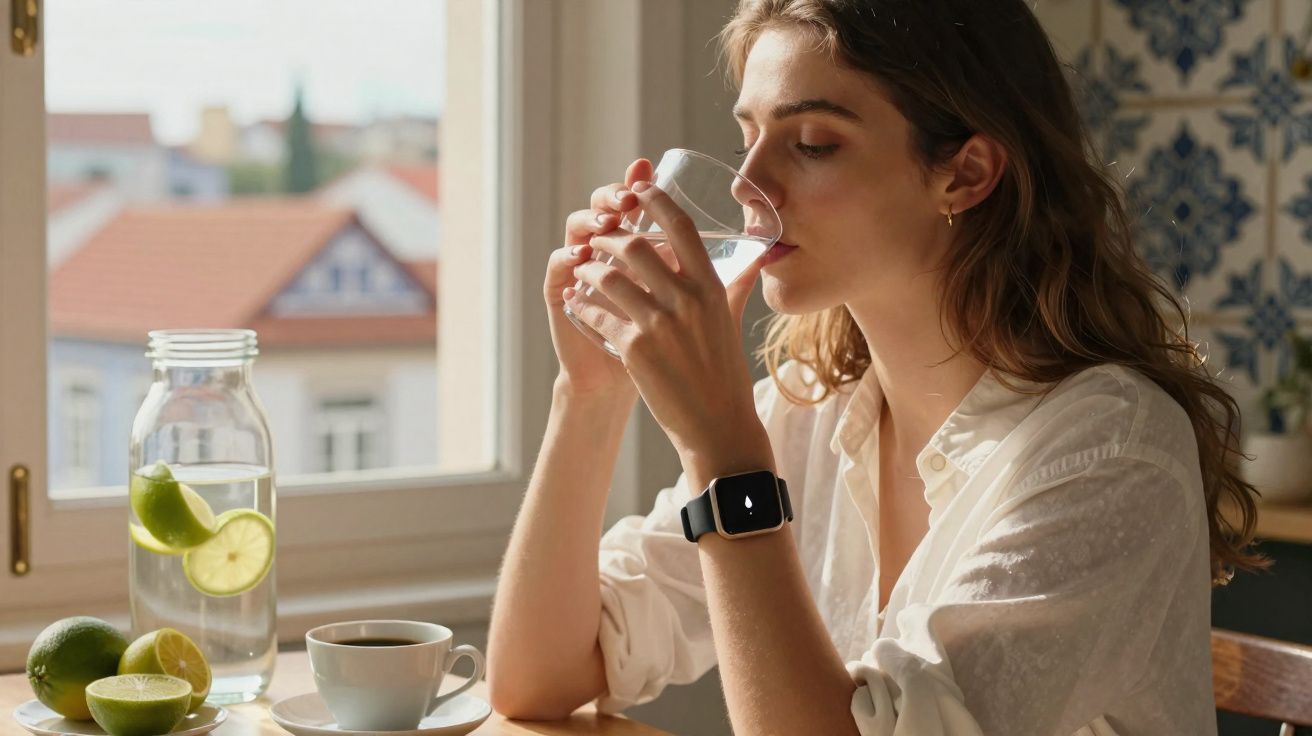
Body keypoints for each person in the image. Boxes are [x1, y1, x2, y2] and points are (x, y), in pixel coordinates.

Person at [487, 0, 1268, 733]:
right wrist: (588, 394)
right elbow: (537, 679)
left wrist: (721, 453)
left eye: (813, 144)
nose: (747, 187)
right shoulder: (806, 415)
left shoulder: (1111, 452)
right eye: (745, 138)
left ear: (964, 173)